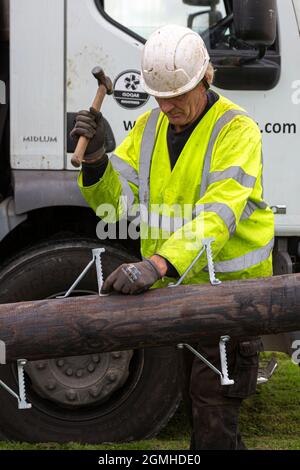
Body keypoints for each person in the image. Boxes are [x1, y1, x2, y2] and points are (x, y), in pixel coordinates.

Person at [71, 24, 274, 450]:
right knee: (198, 401)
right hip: (177, 293)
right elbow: (118, 203)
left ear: (206, 78)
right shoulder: (148, 127)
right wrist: (94, 161)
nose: (168, 106)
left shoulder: (237, 130)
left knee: (213, 407)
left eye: (178, 95)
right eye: (160, 96)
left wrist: (158, 263)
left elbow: (218, 215)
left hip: (232, 297)